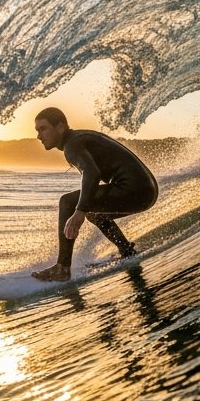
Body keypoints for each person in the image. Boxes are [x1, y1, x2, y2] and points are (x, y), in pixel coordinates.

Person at [30, 106, 159, 282]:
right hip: (146, 191)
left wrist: (79, 211)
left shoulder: (72, 145)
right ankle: (126, 251)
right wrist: (84, 208)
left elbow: (92, 173)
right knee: (95, 214)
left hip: (134, 189)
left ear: (60, 127)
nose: (39, 136)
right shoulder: (78, 138)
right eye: (37, 131)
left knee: (67, 202)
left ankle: (62, 267)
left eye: (43, 129)